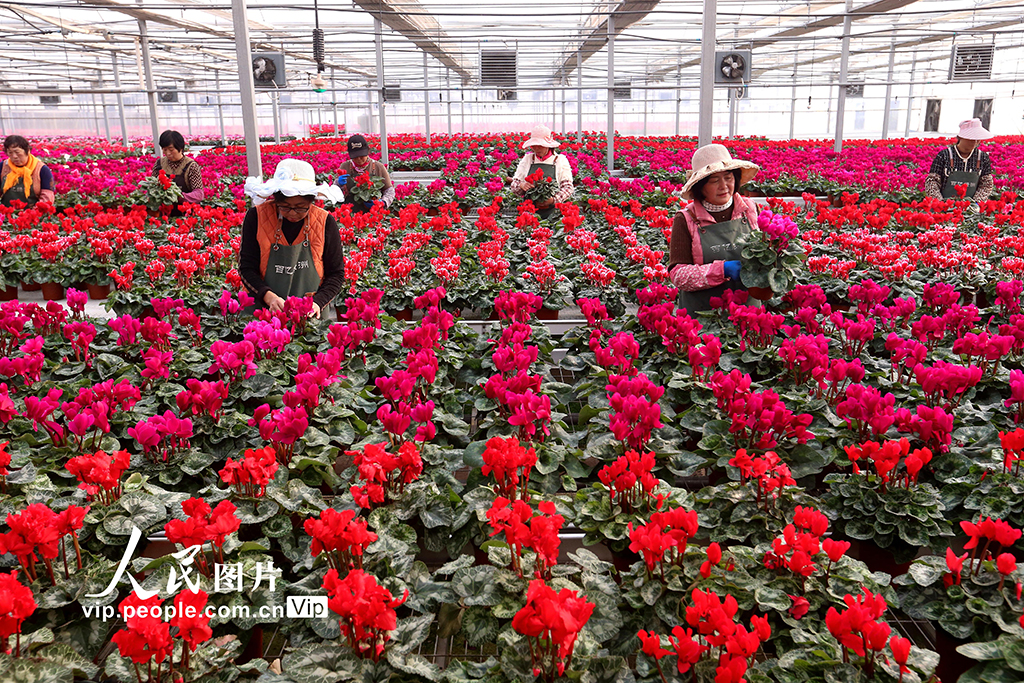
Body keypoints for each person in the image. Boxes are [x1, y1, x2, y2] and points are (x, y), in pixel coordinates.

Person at [239, 159, 346, 319]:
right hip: (264, 312)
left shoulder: (325, 222)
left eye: (301, 207)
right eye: (285, 206)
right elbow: (246, 268)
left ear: (312, 201)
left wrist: (317, 302)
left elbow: (336, 274)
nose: (293, 213)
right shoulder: (257, 217)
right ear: (275, 200)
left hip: (310, 315)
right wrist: (269, 297)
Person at [668, 144, 760, 313]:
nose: (723, 186)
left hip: (747, 311)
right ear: (700, 186)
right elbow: (678, 275)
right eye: (714, 180)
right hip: (703, 314)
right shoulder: (686, 218)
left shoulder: (750, 209)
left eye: (728, 178)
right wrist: (721, 270)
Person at [923, 118, 994, 206]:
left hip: (971, 210)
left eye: (978, 139)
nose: (976, 142)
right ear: (961, 137)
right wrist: (940, 204)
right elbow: (932, 182)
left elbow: (986, 184)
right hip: (944, 207)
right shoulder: (944, 155)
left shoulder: (983, 158)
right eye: (972, 138)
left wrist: (975, 204)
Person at [510, 124, 574, 219]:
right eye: (534, 146)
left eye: (540, 146)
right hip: (529, 213)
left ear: (548, 145)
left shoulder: (560, 160)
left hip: (553, 214)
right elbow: (514, 185)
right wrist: (521, 185)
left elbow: (568, 187)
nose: (536, 149)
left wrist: (553, 200)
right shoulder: (528, 159)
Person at [334, 134, 394, 213]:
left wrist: (382, 202)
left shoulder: (378, 167)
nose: (359, 159)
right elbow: (334, 190)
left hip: (373, 212)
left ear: (368, 151)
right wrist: (338, 183)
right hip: (350, 211)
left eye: (362, 156)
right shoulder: (345, 166)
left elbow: (389, 190)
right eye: (355, 156)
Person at [154, 130, 204, 207]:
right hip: (164, 210)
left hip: (185, 211)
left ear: (180, 148)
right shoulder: (159, 164)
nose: (168, 153)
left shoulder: (191, 166)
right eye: (164, 150)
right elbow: (152, 186)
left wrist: (179, 197)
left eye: (171, 149)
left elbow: (198, 194)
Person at [1, 135, 55, 207]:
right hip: (7, 214)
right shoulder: (3, 167)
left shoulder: (41, 169)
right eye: (10, 153)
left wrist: (32, 214)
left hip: (32, 214)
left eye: (17, 152)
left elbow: (47, 198)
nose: (14, 156)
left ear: (27, 151)